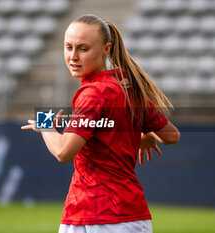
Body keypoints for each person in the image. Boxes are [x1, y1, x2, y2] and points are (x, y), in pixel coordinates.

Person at [21, 14, 180, 233]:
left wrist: (45, 126)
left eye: (83, 49)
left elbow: (62, 151)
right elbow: (171, 136)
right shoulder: (128, 85)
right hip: (134, 217)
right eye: (68, 47)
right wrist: (146, 138)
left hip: (94, 215)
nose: (73, 57)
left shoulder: (93, 93)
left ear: (106, 49)